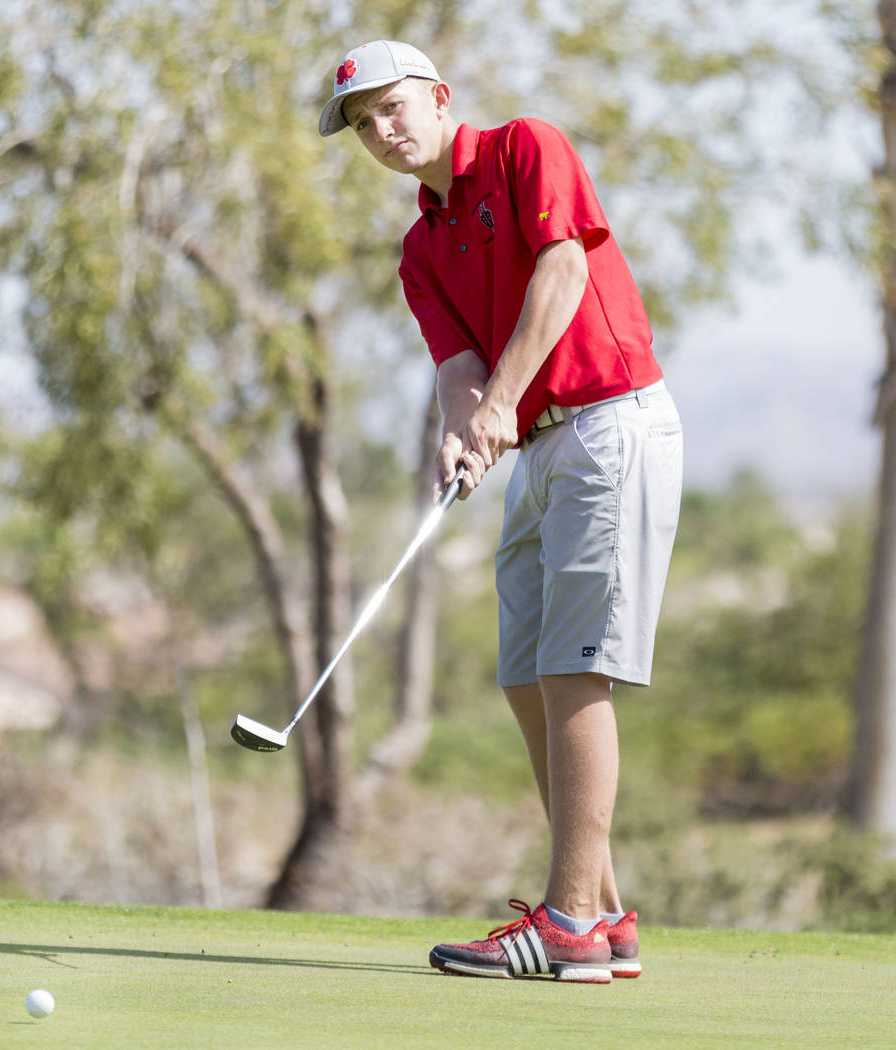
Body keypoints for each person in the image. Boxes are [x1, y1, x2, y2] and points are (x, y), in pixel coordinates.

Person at [319, 40, 683, 983]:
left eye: (392, 108)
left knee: (574, 667)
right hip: (541, 452)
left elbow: (560, 276)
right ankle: (601, 915)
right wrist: (461, 425)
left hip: (610, 425)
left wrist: (495, 409)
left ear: (438, 97)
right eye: (362, 126)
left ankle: (564, 924)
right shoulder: (419, 249)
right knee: (525, 671)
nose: (381, 132)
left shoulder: (527, 148)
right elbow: (456, 368)